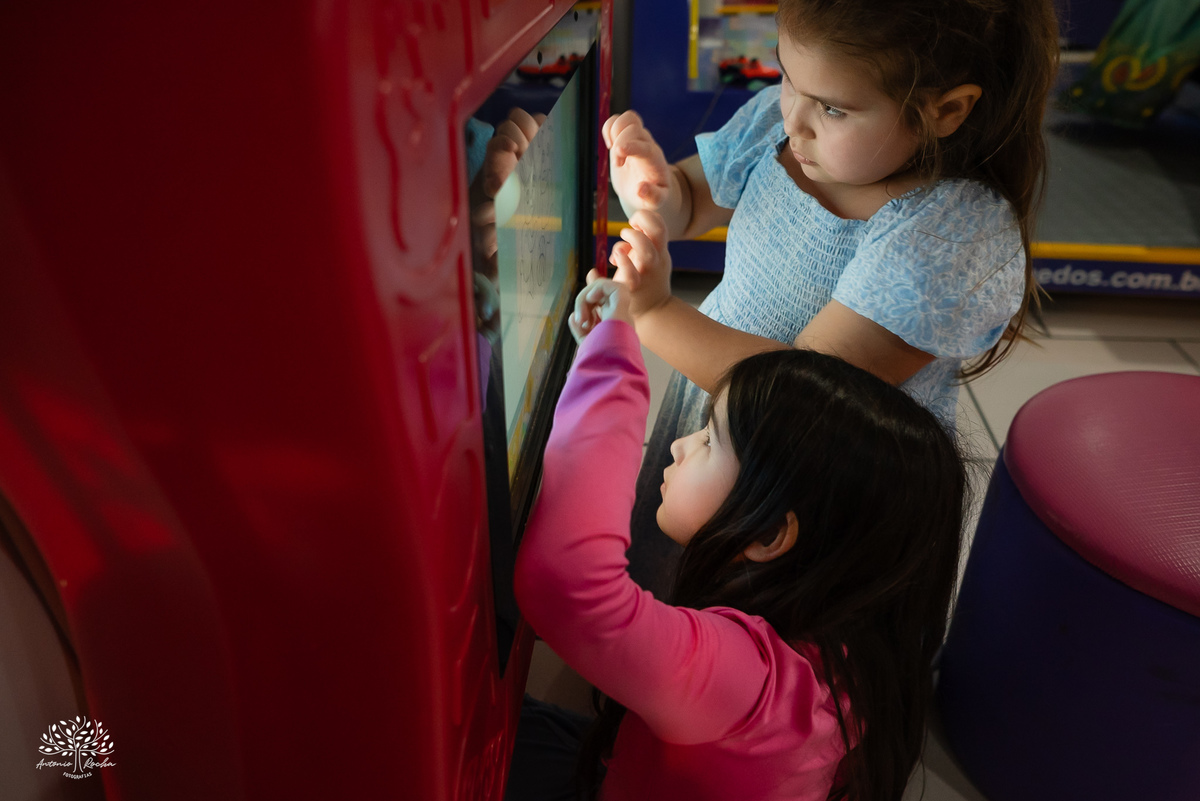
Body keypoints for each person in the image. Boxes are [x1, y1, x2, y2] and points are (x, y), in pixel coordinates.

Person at [603, 0, 1060, 598]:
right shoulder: (781, 125)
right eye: (787, 77)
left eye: (833, 108)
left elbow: (801, 396)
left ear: (945, 110)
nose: (794, 119)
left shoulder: (952, 232)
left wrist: (655, 313)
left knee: (757, 629)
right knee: (669, 600)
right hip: (718, 430)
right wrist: (653, 188)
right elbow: (689, 201)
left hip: (808, 481)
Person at [510, 275, 967, 801]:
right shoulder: (848, 639)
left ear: (770, 533)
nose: (679, 446)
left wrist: (611, 367)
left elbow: (570, 587)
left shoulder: (749, 684)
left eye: (709, 439)